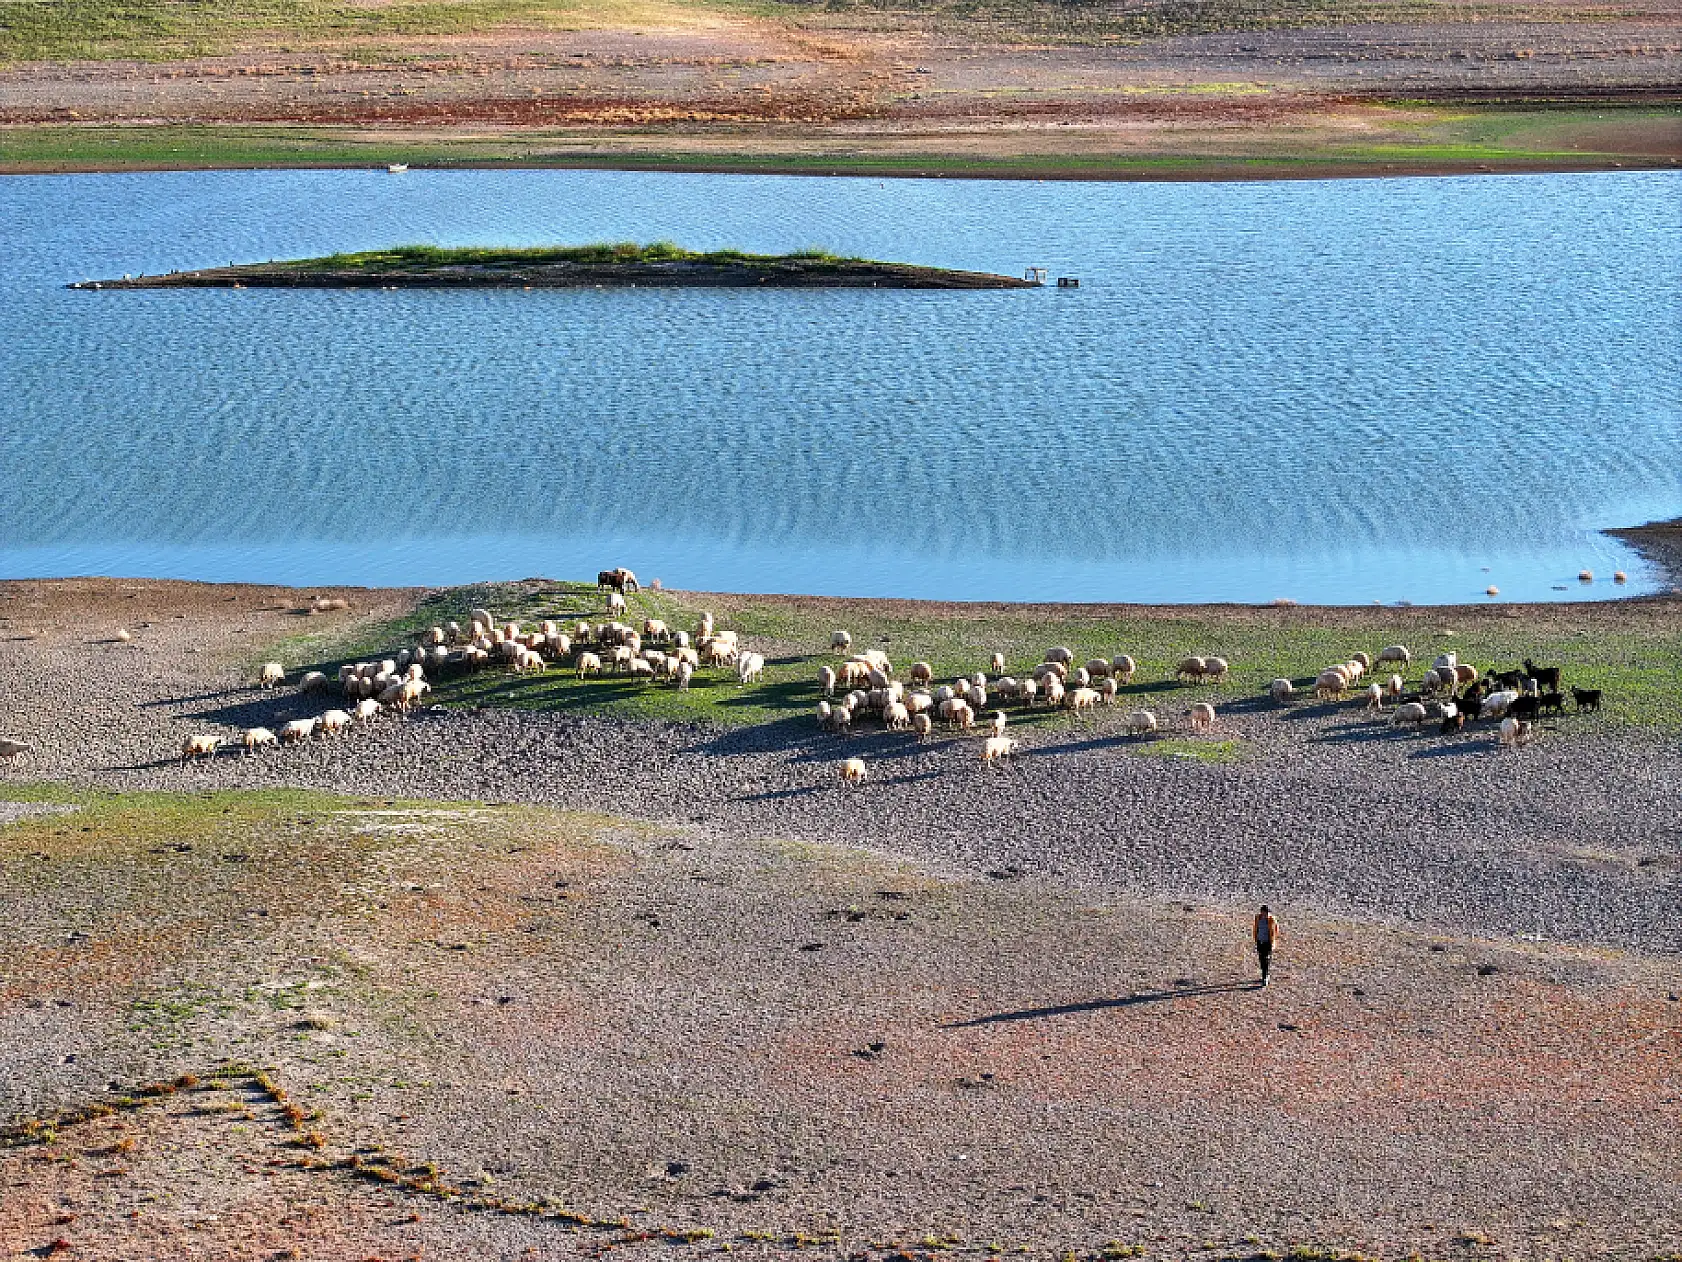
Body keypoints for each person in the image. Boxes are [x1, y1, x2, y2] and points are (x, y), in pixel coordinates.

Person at [1253, 905, 1278, 987]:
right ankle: (1264, 973)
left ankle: (1265, 976)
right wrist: (1256, 939)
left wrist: (1273, 941)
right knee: (1261, 959)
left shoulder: (1272, 919)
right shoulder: (1258, 918)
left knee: (1266, 959)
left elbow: (1276, 930)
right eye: (1264, 913)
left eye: (1266, 913)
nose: (1265, 915)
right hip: (1260, 942)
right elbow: (1255, 928)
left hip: (1268, 942)